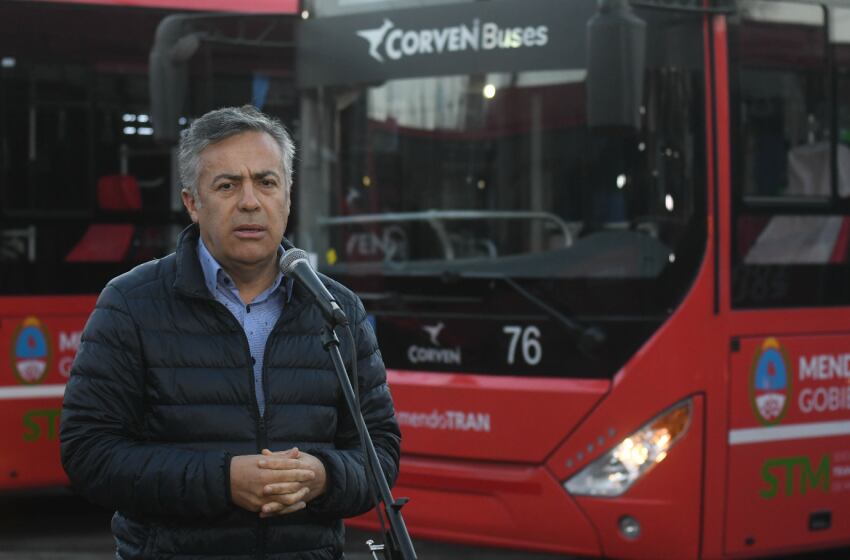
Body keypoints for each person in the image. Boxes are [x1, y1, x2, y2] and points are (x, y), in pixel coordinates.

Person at [60, 105, 401, 560]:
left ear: (288, 194)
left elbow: (379, 451)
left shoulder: (336, 308)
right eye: (227, 185)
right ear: (192, 202)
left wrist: (323, 476)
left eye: (266, 181)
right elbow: (89, 454)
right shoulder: (131, 304)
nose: (250, 201)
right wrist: (222, 481)